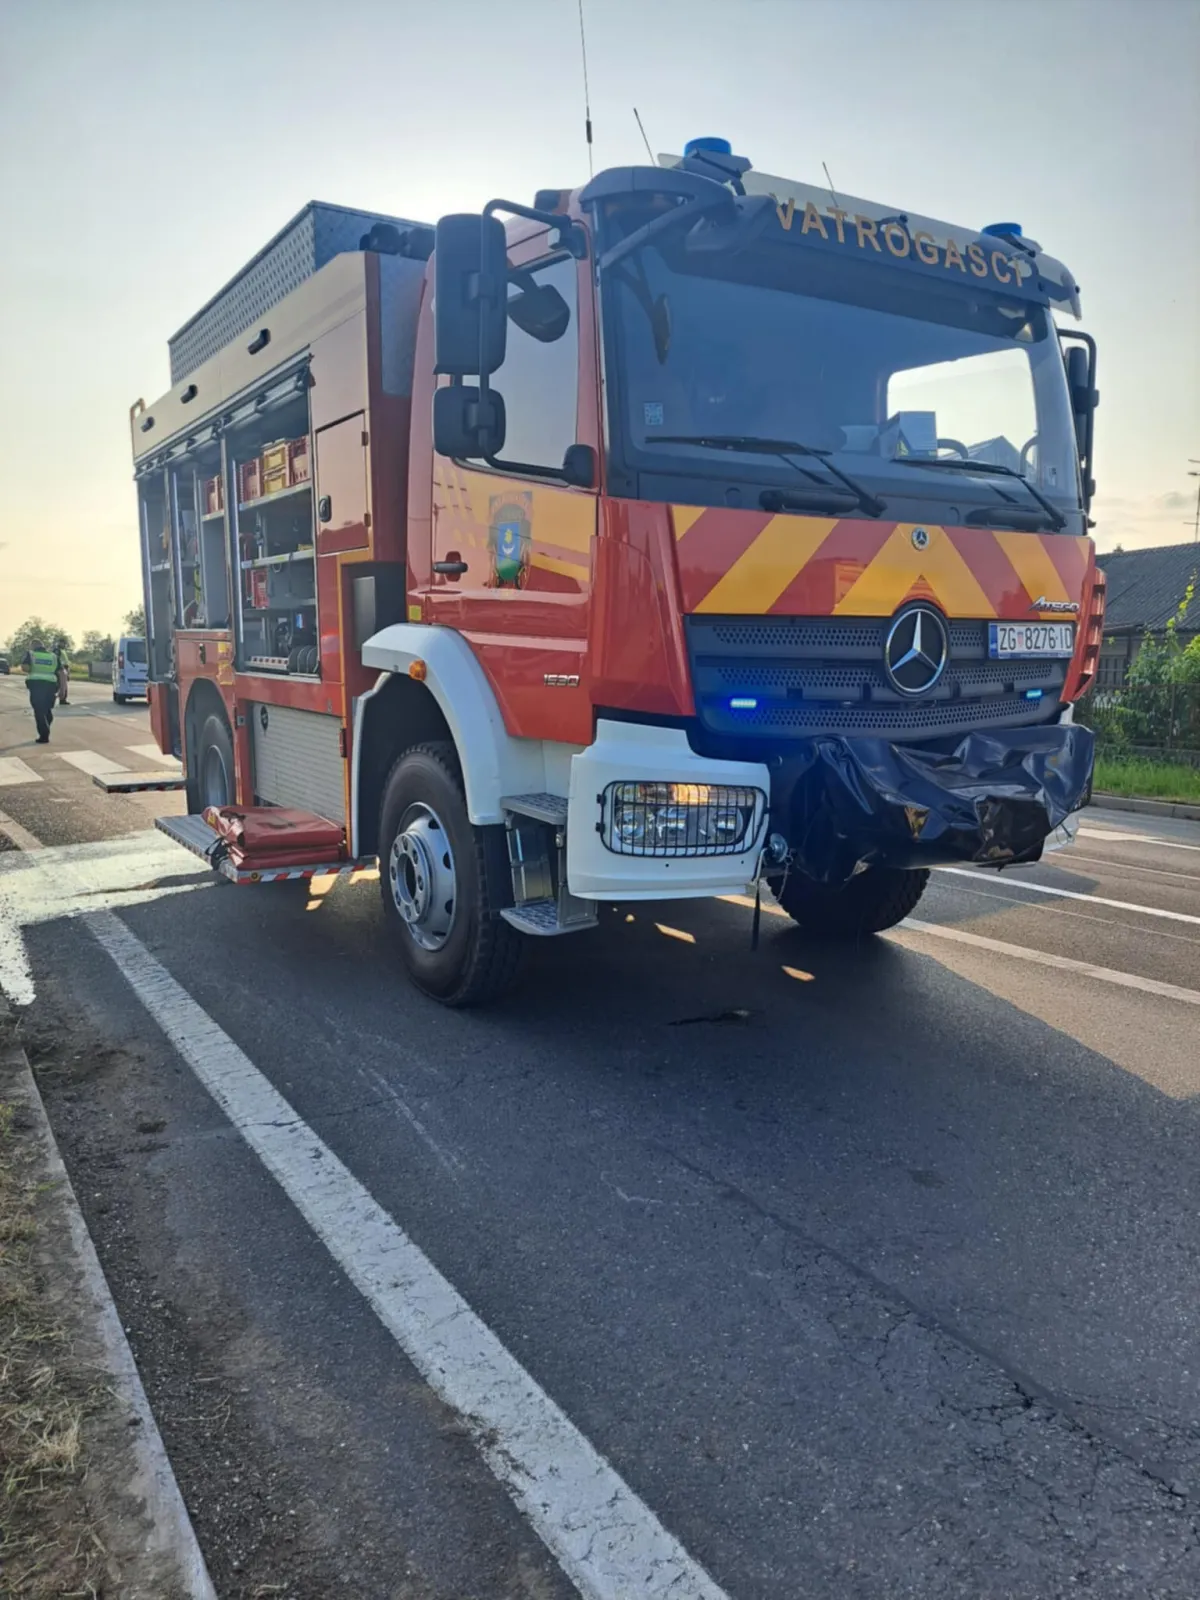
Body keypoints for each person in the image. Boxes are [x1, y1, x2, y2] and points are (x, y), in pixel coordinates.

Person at [21, 638, 59, 742]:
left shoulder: (31, 654)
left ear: (33, 646)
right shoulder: (53, 656)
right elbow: (60, 672)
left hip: (37, 684)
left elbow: (25, 668)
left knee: (39, 710)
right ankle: (45, 728)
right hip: (51, 685)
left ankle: (44, 735)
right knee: (47, 710)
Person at [55, 638, 70, 705]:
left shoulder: (63, 651)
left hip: (65, 669)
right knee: (60, 685)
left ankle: (63, 699)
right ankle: (61, 699)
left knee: (64, 685)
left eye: (63, 643)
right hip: (60, 669)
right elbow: (56, 659)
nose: (63, 644)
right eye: (61, 643)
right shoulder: (57, 650)